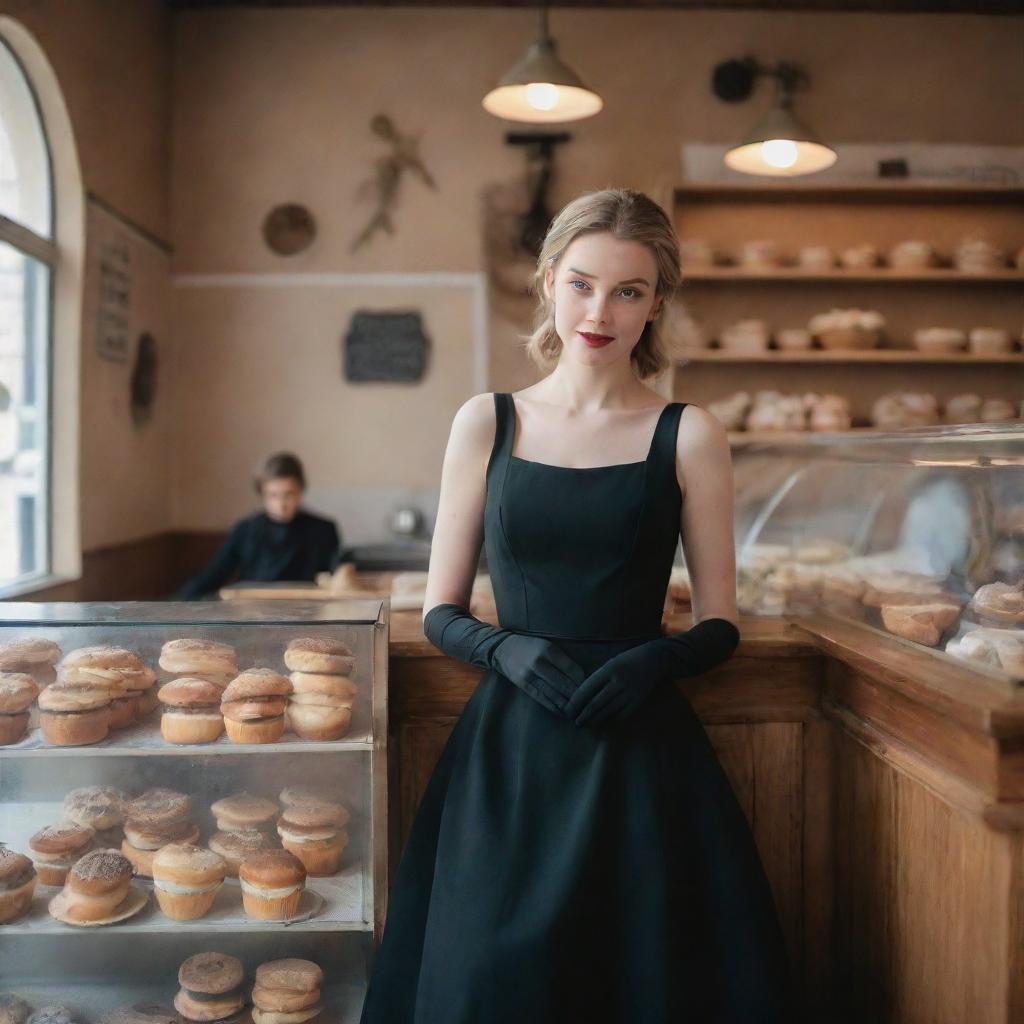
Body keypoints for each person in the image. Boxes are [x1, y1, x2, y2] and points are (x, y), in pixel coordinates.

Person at [359, 189, 793, 1022]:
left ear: (657, 303)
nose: (601, 310)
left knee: (642, 983)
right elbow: (438, 611)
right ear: (551, 281)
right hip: (511, 752)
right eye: (584, 284)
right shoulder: (486, 421)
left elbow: (720, 620)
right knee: (488, 982)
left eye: (629, 291)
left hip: (640, 753)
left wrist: (658, 657)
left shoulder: (689, 431)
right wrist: (503, 649)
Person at [177, 452, 343, 599]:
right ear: (262, 493)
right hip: (254, 617)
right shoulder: (246, 530)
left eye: (288, 494)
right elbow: (213, 574)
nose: (281, 503)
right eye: (273, 495)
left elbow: (336, 583)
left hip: (307, 618)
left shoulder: (323, 530)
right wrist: (177, 605)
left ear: (300, 491)